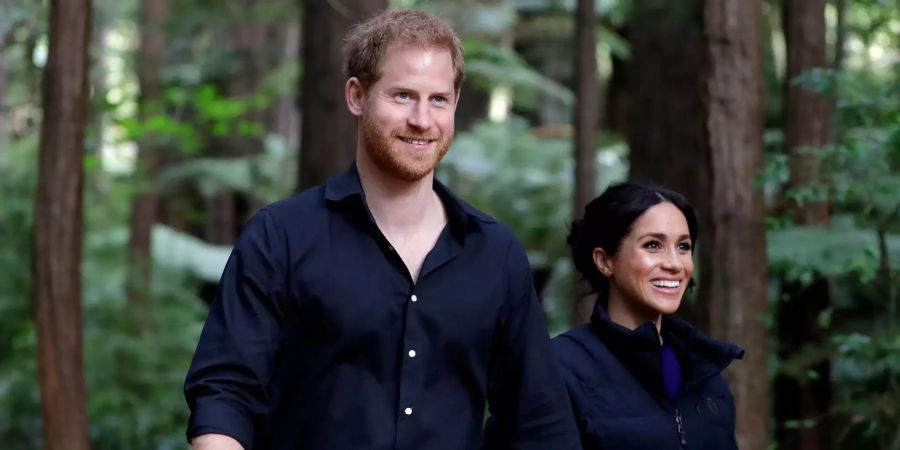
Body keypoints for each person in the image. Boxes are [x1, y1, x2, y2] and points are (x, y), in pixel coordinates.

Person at [184, 9, 579, 450]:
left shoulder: (495, 254)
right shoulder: (281, 238)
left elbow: (540, 422)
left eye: (438, 100)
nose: (422, 120)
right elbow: (224, 395)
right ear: (357, 96)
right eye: (403, 96)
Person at [553, 182, 744, 450]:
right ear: (605, 261)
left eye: (683, 246)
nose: (674, 264)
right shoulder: (560, 367)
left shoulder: (705, 372)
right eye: (653, 245)